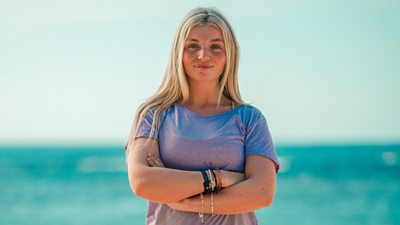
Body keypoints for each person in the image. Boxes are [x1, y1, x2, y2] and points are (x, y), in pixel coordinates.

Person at [125, 7, 280, 225]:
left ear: (229, 55)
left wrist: (185, 201)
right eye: (193, 46)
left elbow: (262, 193)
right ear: (179, 52)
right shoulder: (154, 116)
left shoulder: (250, 120)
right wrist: (220, 178)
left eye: (215, 46)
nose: (203, 55)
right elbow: (142, 182)